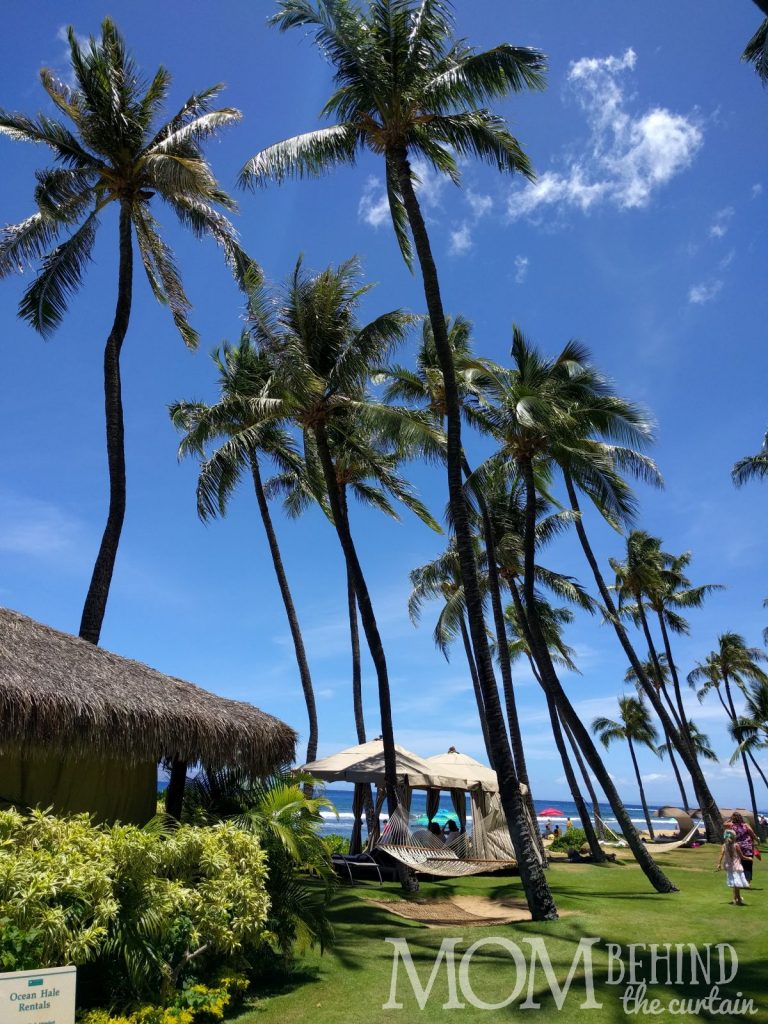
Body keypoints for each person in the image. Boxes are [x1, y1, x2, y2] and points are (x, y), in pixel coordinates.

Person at [717, 829, 749, 905]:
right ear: (734, 837)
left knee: (735, 884)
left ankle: (736, 898)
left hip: (729, 866)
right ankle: (738, 900)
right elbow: (742, 856)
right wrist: (749, 858)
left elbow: (721, 855)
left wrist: (719, 863)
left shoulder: (724, 845)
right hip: (736, 866)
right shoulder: (736, 845)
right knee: (737, 885)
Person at [730, 812, 758, 884]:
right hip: (747, 847)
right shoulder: (745, 825)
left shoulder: (731, 826)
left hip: (737, 847)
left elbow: (724, 824)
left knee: (738, 864)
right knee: (748, 864)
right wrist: (757, 840)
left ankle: (739, 881)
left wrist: (730, 819)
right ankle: (748, 882)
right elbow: (752, 833)